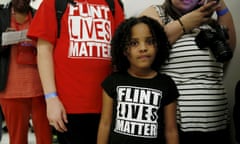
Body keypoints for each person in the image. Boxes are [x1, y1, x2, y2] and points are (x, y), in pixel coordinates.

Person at [27, 0, 124, 143]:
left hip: (107, 104)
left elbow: (121, 50)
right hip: (68, 107)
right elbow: (43, 51)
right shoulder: (53, 3)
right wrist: (51, 98)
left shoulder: (112, 4)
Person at [139, 0, 236, 144]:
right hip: (176, 127)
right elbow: (148, 46)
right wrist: (185, 24)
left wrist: (219, 4)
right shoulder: (157, 13)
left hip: (217, 122)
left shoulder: (210, 23)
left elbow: (229, 50)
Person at [97, 16, 179, 144]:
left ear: (158, 46)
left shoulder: (166, 84)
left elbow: (171, 130)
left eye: (150, 41)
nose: (143, 48)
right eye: (134, 43)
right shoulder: (113, 81)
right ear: (124, 49)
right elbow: (105, 124)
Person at [0, 0, 52, 144]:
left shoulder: (39, 15)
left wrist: (39, 42)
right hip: (10, 91)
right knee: (16, 140)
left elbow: (53, 45)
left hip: (41, 90)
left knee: (45, 139)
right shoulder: (2, 15)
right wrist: (3, 41)